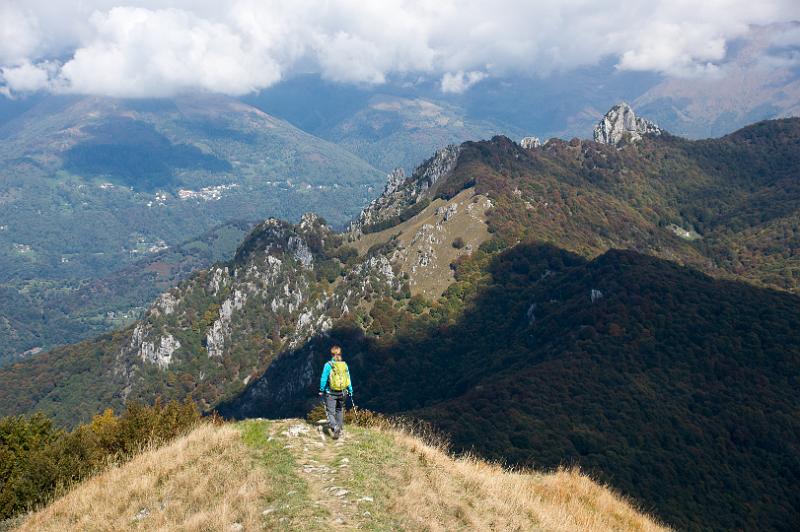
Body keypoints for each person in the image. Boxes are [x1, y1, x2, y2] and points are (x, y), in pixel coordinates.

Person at [318, 345, 353, 439]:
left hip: (330, 392)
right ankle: (340, 428)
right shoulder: (344, 364)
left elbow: (323, 379)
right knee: (339, 409)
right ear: (340, 354)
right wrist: (350, 390)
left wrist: (321, 390)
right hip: (343, 392)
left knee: (330, 412)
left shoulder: (328, 365)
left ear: (331, 354)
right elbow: (348, 378)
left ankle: (335, 427)